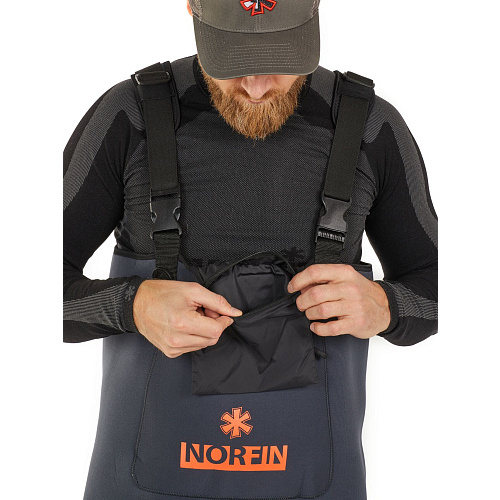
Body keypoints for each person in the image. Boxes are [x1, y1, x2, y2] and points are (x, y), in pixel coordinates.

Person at [63, 1, 438, 498]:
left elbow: (442, 289)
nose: (256, 87)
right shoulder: (128, 118)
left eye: (279, 58)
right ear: (193, 9)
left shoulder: (370, 127)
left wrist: (387, 306)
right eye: (233, 59)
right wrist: (129, 305)